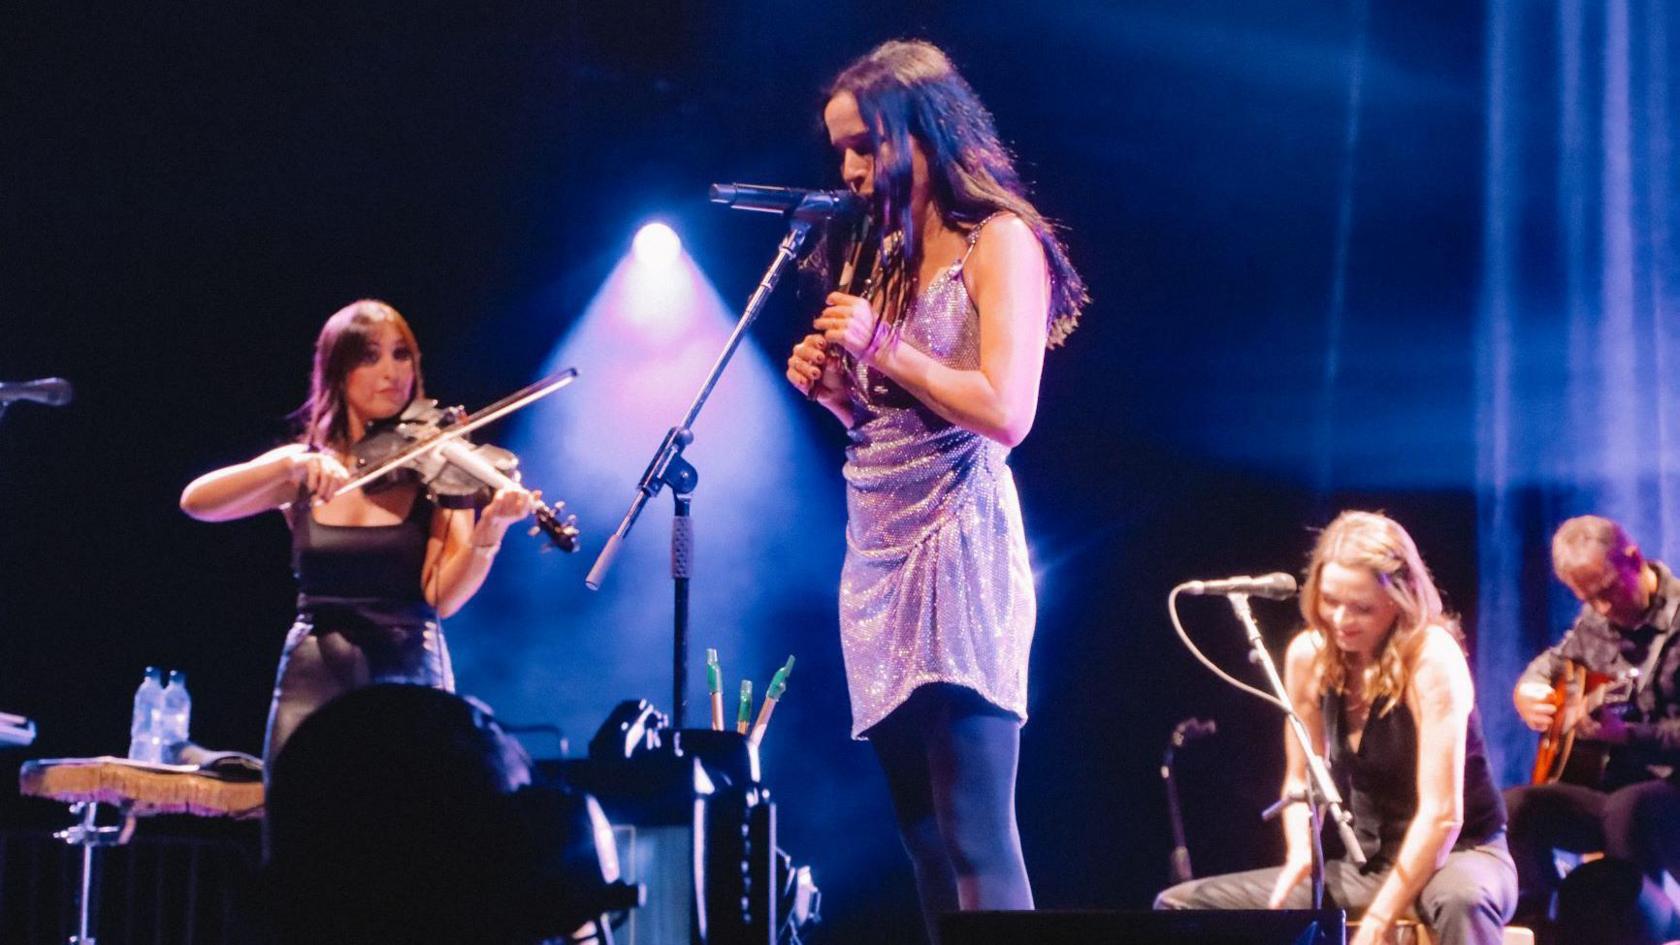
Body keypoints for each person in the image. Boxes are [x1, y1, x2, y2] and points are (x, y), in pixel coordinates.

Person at [783, 39, 1086, 942]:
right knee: (921, 836)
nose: (849, 168)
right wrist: (843, 398)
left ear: (922, 132)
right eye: (840, 149)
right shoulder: (882, 252)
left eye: (865, 146)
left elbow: (1005, 411)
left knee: (976, 831)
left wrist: (885, 348)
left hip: (958, 542)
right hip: (875, 548)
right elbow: (903, 416)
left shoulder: (1001, 241)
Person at [179, 299, 535, 769]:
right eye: (370, 357)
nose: (392, 372)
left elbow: (440, 597)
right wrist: (291, 464)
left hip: (407, 673)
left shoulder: (442, 464)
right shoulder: (306, 468)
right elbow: (197, 502)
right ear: (338, 372)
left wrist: (489, 533)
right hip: (313, 672)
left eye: (401, 354)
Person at [1155, 511, 1516, 945]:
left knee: (1463, 902)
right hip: (1370, 866)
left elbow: (1443, 816)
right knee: (1180, 907)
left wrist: (1381, 918)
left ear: (1399, 600)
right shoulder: (1309, 654)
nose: (1341, 619)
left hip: (1461, 857)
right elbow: (1301, 779)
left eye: (1361, 607)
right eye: (1330, 601)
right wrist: (1302, 850)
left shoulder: (1431, 656)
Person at [1506, 515, 1680, 926]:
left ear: (1633, 560)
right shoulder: (1595, 622)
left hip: (1671, 791)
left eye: (1607, 591)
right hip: (1614, 793)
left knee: (1628, 808)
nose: (1602, 608)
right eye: (1587, 598)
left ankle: (1648, 926)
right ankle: (1551, 925)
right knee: (1517, 807)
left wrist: (1630, 736)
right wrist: (1527, 693)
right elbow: (1548, 665)